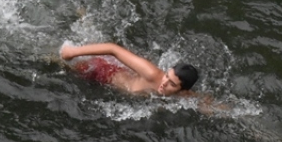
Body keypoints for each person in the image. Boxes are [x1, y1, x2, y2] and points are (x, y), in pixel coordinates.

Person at [60, 42, 200, 96]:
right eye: (167, 76)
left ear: (182, 90)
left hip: (107, 87)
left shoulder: (183, 95)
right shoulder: (151, 74)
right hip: (101, 72)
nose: (164, 83)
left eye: (172, 84)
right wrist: (72, 52)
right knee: (57, 62)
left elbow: (203, 101)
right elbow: (112, 49)